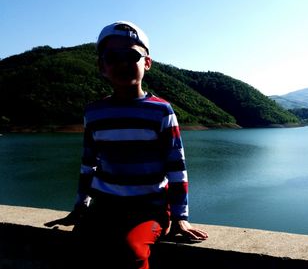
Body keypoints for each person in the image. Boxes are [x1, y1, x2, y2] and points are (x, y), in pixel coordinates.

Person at [45, 21, 208, 269]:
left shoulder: (162, 111)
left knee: (132, 252)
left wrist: (180, 217)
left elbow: (176, 169)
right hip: (104, 207)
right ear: (102, 66)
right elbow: (88, 165)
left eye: (132, 55)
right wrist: (80, 208)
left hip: (149, 210)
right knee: (78, 250)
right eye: (112, 57)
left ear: (147, 63)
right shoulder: (94, 112)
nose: (122, 63)